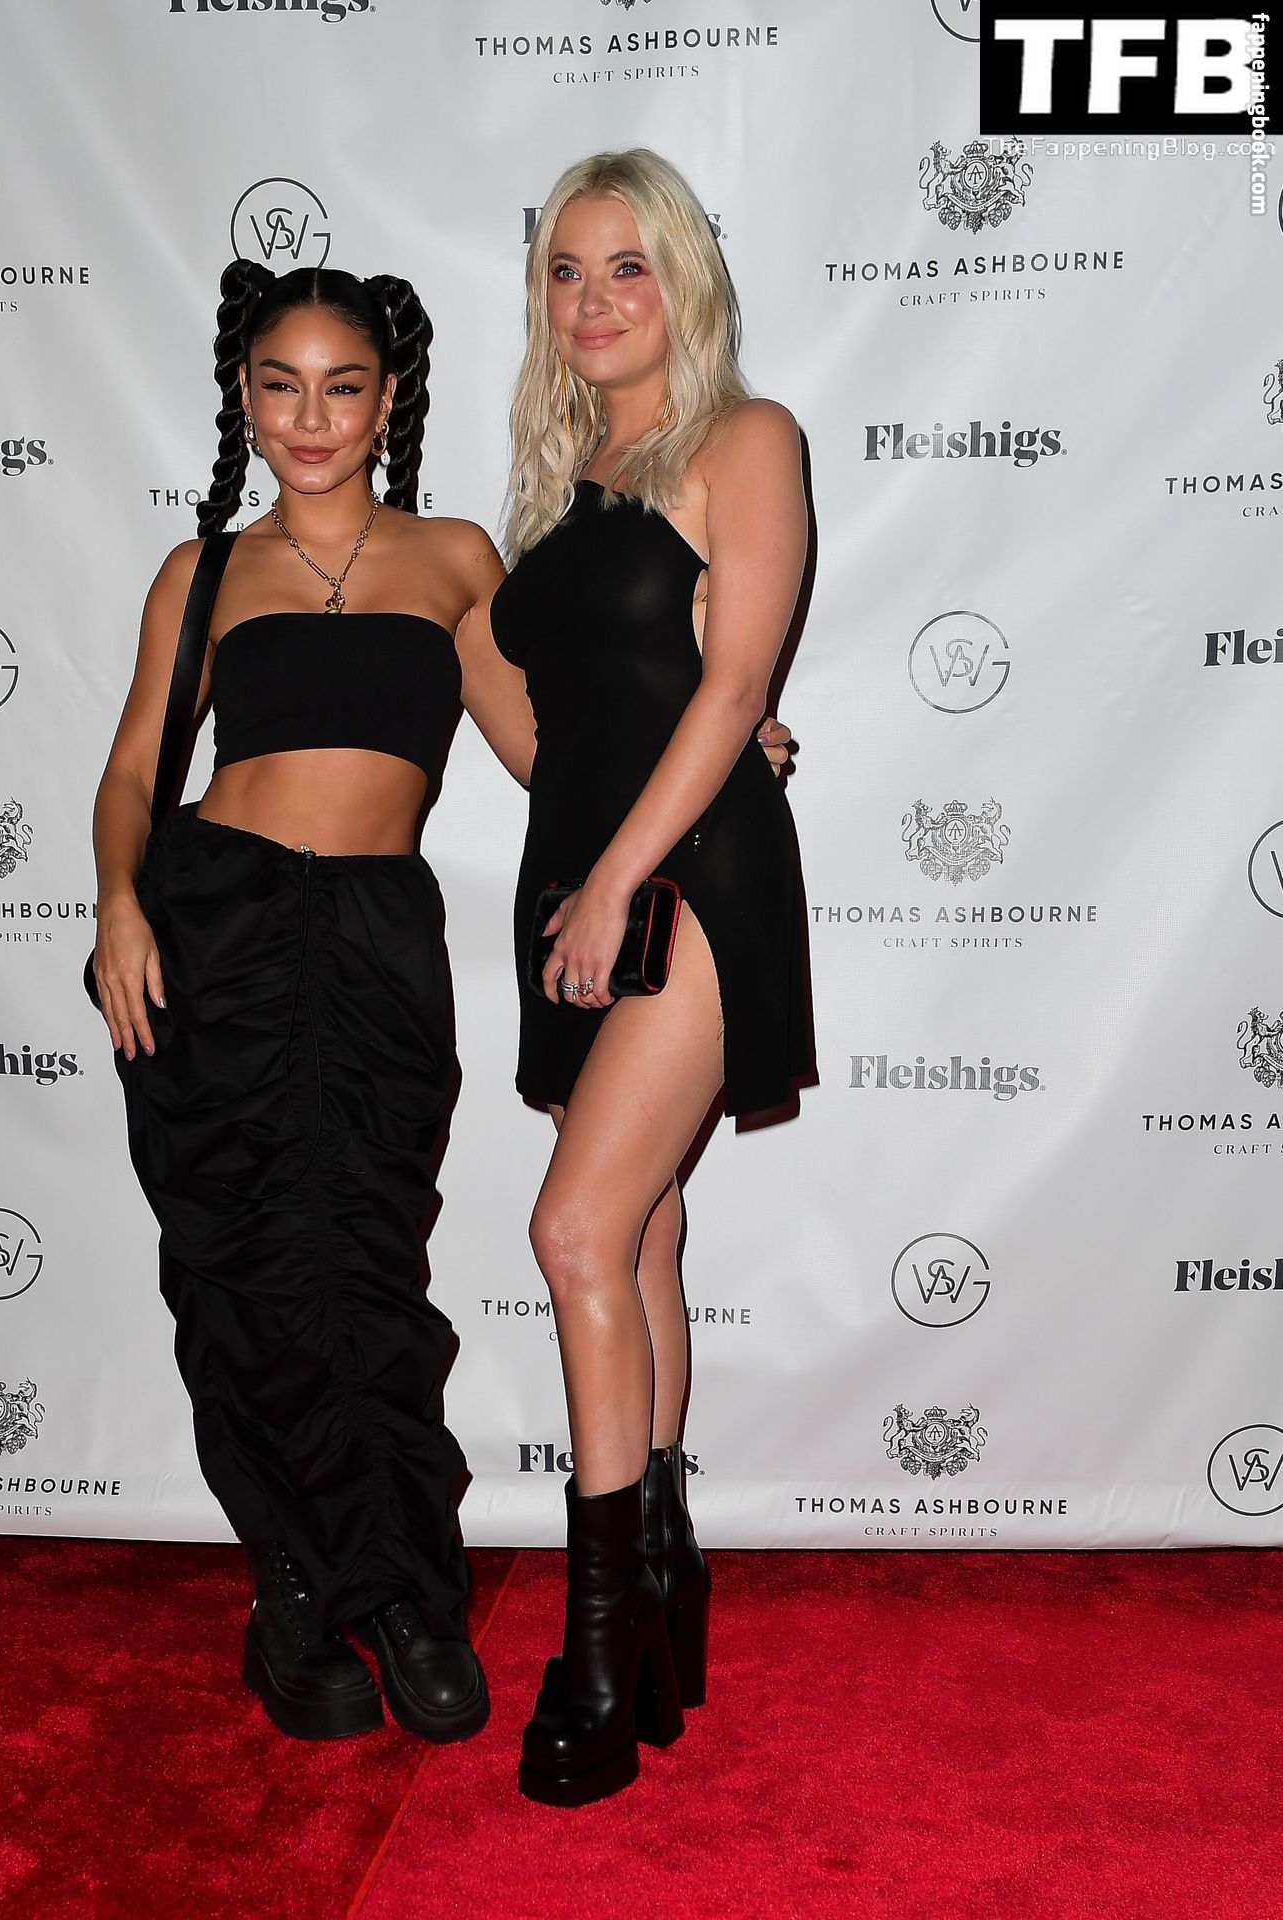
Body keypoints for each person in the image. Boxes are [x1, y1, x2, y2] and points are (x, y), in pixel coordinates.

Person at [90, 260, 540, 1745]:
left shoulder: (454, 558)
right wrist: (119, 904)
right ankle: (292, 1592)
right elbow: (134, 767)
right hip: (216, 927)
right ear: (244, 395)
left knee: (368, 1267)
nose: (310, 416)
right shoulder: (204, 571)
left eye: (342, 386)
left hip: (374, 938)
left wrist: (711, 739)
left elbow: (544, 752)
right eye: (279, 385)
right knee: (246, 1276)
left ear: (387, 399)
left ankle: (406, 1593)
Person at [486, 149, 813, 1806]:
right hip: (575, 882)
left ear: (681, 278)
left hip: (684, 883)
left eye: (625, 265)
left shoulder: (741, 440)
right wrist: (577, 871)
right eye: (565, 269)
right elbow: (556, 725)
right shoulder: (555, 487)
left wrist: (621, 874)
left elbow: (734, 680)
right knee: (645, 1231)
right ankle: (668, 1586)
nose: (594, 298)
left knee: (572, 1233)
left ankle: (601, 1653)